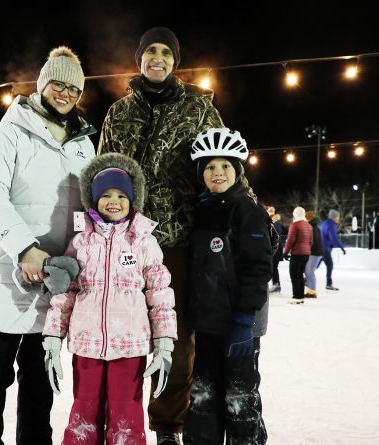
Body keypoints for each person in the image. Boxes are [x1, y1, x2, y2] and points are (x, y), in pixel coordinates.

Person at [97, 26, 228, 445]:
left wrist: (250, 212)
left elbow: (224, 166)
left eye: (166, 53)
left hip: (181, 236)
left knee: (178, 334)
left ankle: (169, 424)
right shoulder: (119, 111)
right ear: (139, 59)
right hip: (128, 239)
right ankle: (123, 417)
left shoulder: (199, 107)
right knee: (126, 329)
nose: (158, 58)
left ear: (175, 61)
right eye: (150, 51)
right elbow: (101, 175)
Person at [0, 46, 96, 445]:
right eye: (58, 84)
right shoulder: (10, 132)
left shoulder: (83, 144)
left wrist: (81, 257)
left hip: (55, 278)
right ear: (42, 84)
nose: (65, 94)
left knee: (40, 375)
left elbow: (85, 209)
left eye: (73, 89)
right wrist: (24, 249)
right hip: (8, 273)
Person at [42, 153, 177, 445]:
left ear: (132, 200)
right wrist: (53, 337)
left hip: (130, 346)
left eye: (120, 195)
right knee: (83, 413)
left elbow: (161, 293)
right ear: (93, 200)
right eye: (105, 195)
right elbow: (65, 291)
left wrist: (164, 343)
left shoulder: (143, 241)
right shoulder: (81, 241)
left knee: (126, 415)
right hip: (87, 345)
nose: (113, 201)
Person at [183, 128, 269, 444]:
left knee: (239, 398)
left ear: (237, 170)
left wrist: (245, 320)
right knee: (203, 396)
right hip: (206, 324)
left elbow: (258, 269)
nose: (217, 173)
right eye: (209, 167)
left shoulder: (247, 211)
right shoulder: (201, 210)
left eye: (225, 166)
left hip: (238, 327)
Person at [284, 207, 313, 304]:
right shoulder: (309, 226)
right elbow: (311, 242)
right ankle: (300, 296)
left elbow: (290, 240)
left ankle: (296, 296)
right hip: (306, 253)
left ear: (295, 214)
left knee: (294, 274)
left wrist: (285, 252)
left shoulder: (295, 225)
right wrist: (306, 249)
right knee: (300, 274)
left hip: (297, 253)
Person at [320, 209, 347, 291]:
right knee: (330, 265)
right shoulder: (331, 225)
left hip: (320, 247)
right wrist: (342, 247)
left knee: (315, 265)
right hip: (325, 248)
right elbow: (334, 239)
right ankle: (329, 284)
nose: (339, 219)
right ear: (334, 217)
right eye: (338, 217)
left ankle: (306, 278)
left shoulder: (324, 223)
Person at [304, 211, 324, 298]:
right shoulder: (314, 226)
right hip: (315, 252)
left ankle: (312, 291)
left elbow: (314, 242)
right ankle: (309, 287)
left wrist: (307, 248)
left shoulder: (312, 227)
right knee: (307, 271)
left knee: (309, 271)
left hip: (314, 252)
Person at [266, 206, 284, 293]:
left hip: (275, 249)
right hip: (276, 248)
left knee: (273, 267)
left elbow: (275, 237)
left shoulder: (274, 223)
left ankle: (276, 284)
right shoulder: (276, 222)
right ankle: (276, 284)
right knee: (273, 267)